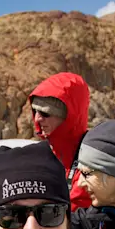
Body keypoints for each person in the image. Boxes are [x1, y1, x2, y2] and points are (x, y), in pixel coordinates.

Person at [28, 72, 92, 210]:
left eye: (45, 113)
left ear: (69, 117)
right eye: (35, 111)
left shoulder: (93, 160)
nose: (38, 119)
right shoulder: (36, 155)